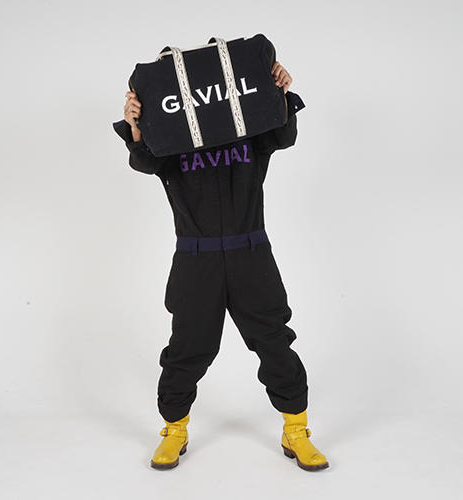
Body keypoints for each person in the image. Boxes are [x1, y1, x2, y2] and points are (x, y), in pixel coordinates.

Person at [112, 60, 329, 471]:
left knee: (274, 342)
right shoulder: (173, 139)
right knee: (188, 349)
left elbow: (283, 135)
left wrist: (278, 92)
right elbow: (145, 161)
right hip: (196, 258)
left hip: (251, 252)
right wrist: (137, 123)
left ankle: (296, 430)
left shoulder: (246, 127)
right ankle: (174, 429)